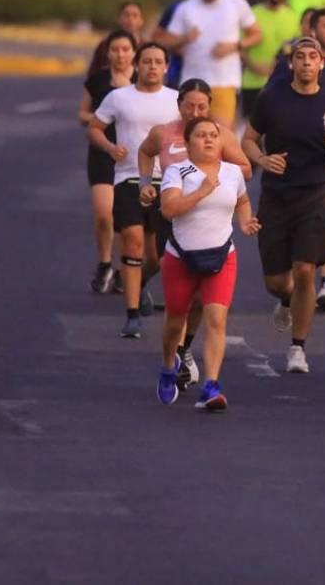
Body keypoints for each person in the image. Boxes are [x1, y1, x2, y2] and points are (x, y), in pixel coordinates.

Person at [242, 37, 325, 374]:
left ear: (321, 64)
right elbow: (247, 139)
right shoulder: (272, 99)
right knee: (276, 281)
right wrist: (262, 158)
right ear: (292, 64)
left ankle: (298, 348)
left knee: (305, 270)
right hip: (276, 195)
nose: (306, 62)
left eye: (312, 57)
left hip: (315, 193)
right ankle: (285, 300)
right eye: (300, 57)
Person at [136, 78, 252, 385]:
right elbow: (145, 153)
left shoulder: (221, 135)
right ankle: (171, 351)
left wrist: (217, 170)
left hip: (212, 222)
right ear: (179, 105)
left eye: (202, 106)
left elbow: (245, 171)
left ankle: (186, 352)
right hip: (173, 217)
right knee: (175, 302)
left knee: (205, 303)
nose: (195, 110)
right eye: (190, 105)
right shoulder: (163, 133)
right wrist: (146, 183)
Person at [156, 117, 261, 411]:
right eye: (201, 136)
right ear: (189, 144)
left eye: (214, 135)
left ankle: (211, 386)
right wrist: (201, 191)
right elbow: (168, 209)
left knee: (217, 319)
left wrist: (244, 222)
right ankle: (168, 367)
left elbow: (241, 201)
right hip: (181, 257)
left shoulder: (232, 172)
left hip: (222, 255)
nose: (209, 140)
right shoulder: (177, 171)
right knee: (176, 320)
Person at [88, 43, 180, 338]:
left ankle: (138, 284)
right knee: (132, 240)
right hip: (128, 177)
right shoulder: (119, 97)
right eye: (147, 61)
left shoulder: (176, 100)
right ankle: (131, 316)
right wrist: (110, 148)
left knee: (155, 257)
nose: (152, 66)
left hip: (165, 180)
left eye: (158, 62)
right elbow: (94, 127)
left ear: (166, 67)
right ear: (137, 66)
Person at [161, 0, 262, 127]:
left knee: (222, 134)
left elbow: (257, 34)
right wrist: (185, 38)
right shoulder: (185, 8)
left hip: (225, 81)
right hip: (192, 81)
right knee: (190, 133)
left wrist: (234, 46)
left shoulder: (236, 3)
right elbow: (166, 40)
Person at [79, 30, 137, 294]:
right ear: (108, 53)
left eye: (126, 49)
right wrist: (101, 117)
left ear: (134, 52)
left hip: (132, 158)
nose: (120, 54)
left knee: (126, 221)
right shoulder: (98, 80)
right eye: (115, 49)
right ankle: (104, 263)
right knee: (104, 215)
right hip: (103, 152)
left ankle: (125, 271)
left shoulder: (142, 81)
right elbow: (82, 114)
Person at [241, 0, 299, 121]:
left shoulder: (293, 17)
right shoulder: (251, 14)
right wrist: (253, 65)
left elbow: (296, 48)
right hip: (252, 82)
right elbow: (240, 45)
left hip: (284, 83)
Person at [89, 3, 145, 73]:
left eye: (135, 16)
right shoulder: (105, 45)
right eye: (126, 15)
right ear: (119, 19)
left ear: (141, 20)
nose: (130, 19)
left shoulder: (146, 48)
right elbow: (93, 74)